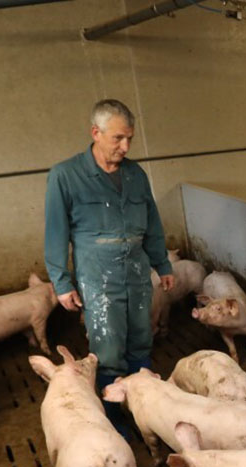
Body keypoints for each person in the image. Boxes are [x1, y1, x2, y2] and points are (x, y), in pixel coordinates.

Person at [44, 99, 174, 432]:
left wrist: (162, 265)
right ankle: (115, 421)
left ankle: (143, 407)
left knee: (142, 336)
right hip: (97, 273)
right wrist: (61, 282)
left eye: (129, 138)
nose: (125, 146)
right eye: (118, 138)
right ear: (95, 133)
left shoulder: (136, 175)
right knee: (108, 343)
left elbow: (153, 223)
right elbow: (56, 232)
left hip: (135, 268)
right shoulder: (66, 175)